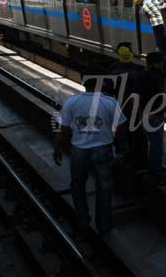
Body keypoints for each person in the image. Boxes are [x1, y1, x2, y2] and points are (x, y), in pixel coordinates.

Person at [59, 76, 126, 236]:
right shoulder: (110, 102)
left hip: (79, 150)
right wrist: (120, 147)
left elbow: (65, 128)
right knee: (104, 187)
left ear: (84, 86)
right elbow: (121, 128)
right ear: (100, 86)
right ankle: (103, 226)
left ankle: (82, 219)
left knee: (77, 184)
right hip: (103, 149)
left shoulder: (72, 102)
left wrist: (63, 147)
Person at [133, 51, 166, 178]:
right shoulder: (155, 77)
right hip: (154, 115)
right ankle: (155, 172)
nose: (162, 65)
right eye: (160, 63)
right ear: (155, 64)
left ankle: (151, 168)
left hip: (146, 114)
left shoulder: (140, 75)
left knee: (151, 143)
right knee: (157, 145)